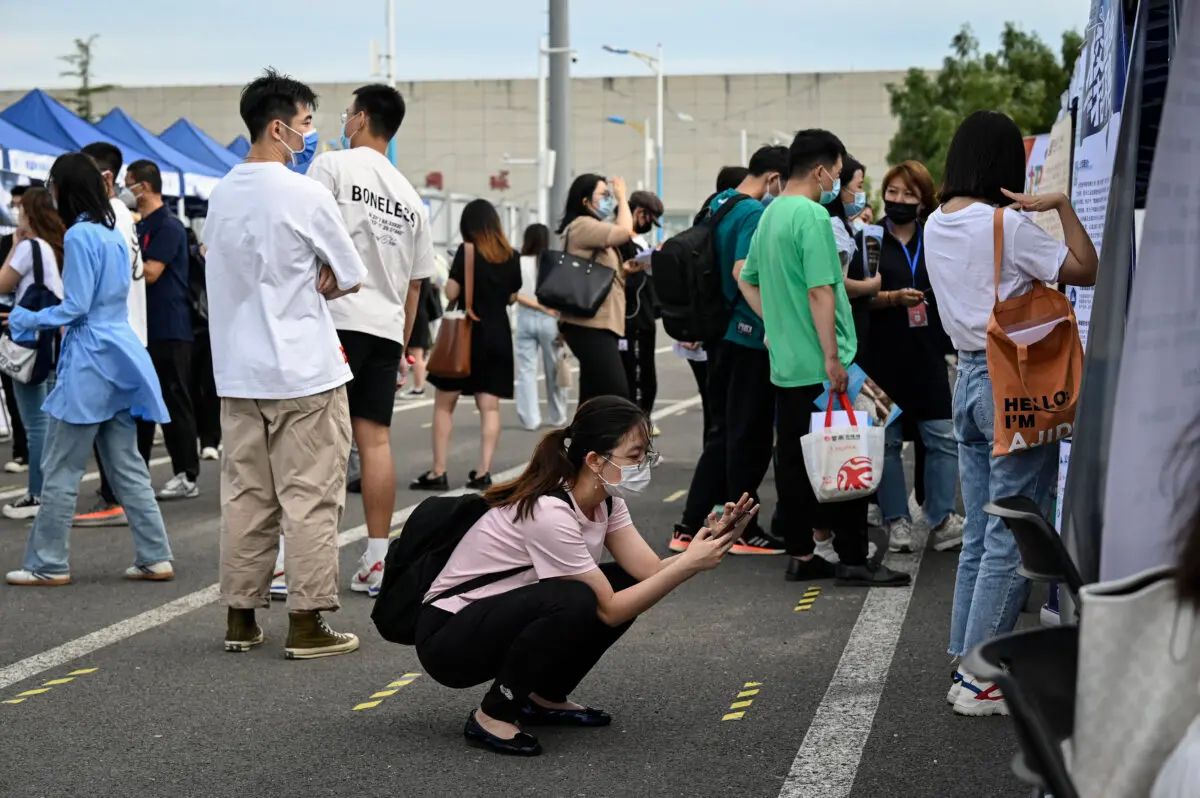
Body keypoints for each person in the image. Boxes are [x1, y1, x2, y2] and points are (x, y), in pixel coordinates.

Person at [415, 396, 758, 756]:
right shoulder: (549, 511)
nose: (643, 465)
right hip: (448, 638)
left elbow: (649, 572)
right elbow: (609, 609)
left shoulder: (606, 499)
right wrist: (690, 564)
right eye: (634, 455)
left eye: (646, 455)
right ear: (594, 460)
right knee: (578, 599)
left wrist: (710, 544)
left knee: (620, 583)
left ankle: (542, 696)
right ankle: (492, 715)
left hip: (493, 618)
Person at [924, 110, 1097, 715]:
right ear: (1006, 164)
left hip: (967, 380)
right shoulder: (1007, 225)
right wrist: (1062, 207)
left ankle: (965, 659)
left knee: (980, 529)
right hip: (1015, 386)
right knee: (1010, 530)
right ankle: (981, 678)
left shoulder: (934, 223)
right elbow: (1085, 267)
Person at [205, 69, 366, 658]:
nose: (310, 135)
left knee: (245, 496)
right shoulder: (305, 193)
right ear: (278, 127)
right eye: (304, 125)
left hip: (238, 373)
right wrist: (318, 276)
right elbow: (348, 273)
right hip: (305, 371)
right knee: (310, 498)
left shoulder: (220, 194)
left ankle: (240, 616)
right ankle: (306, 621)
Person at [738, 129, 910, 589]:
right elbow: (820, 290)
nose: (838, 181)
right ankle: (853, 558)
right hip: (823, 364)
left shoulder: (770, 215)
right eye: (837, 172)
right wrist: (833, 359)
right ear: (820, 171)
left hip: (788, 366)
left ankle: (801, 553)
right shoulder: (812, 216)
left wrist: (774, 323)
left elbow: (746, 278)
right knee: (847, 451)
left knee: (795, 462)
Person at [4, 153, 174, 586]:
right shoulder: (114, 231)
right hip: (119, 351)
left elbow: (76, 308)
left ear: (64, 187)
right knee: (128, 465)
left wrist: (24, 319)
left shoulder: (80, 233)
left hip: (89, 358)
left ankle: (47, 562)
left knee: (62, 467)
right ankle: (155, 555)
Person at [306, 83, 436, 600]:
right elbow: (415, 287)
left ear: (359, 119)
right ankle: (378, 560)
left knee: (316, 442)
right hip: (384, 329)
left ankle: (296, 563)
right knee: (374, 441)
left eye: (346, 114)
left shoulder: (333, 167)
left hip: (333, 319)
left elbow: (307, 241)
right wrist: (401, 346)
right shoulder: (411, 198)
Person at [671, 145, 791, 557]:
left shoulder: (718, 203)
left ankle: (689, 525)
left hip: (719, 334)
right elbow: (744, 272)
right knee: (750, 437)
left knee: (723, 434)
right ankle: (742, 529)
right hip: (746, 335)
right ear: (774, 178)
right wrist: (773, 323)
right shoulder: (754, 213)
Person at [865, 160, 963, 555]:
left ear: (924, 201)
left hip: (927, 354)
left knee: (942, 437)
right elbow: (852, 297)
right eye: (893, 192)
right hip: (881, 355)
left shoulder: (936, 238)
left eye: (909, 194)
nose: (899, 200)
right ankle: (896, 521)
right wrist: (891, 298)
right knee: (886, 442)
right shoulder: (869, 240)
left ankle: (940, 518)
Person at [411, 199, 521, 492]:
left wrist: (454, 274)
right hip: (498, 336)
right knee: (490, 408)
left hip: (467, 335)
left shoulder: (467, 252)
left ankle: (438, 472)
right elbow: (512, 297)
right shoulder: (511, 255)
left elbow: (453, 291)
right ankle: (483, 473)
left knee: (444, 406)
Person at [73, 142, 146, 528]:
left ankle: (115, 498)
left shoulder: (106, 216)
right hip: (125, 331)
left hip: (112, 334)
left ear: (104, 177)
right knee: (118, 431)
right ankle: (121, 499)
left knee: (107, 430)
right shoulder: (120, 213)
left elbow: (94, 284)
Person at [125, 160, 200, 501]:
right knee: (142, 404)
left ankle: (186, 473)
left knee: (173, 401)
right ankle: (135, 473)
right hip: (143, 329)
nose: (127, 190)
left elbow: (151, 272)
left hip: (171, 328)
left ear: (145, 185)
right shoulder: (137, 225)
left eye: (130, 184)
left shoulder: (168, 225)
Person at [0, 187, 65, 519]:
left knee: (35, 422)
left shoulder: (28, 248)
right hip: (49, 341)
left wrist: (12, 248)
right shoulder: (51, 248)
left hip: (27, 341)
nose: (16, 214)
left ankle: (37, 495)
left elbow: (1, 284)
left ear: (29, 213)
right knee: (46, 421)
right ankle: (45, 492)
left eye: (19, 209)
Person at [556, 174, 634, 404]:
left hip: (596, 323)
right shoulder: (583, 225)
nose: (609, 200)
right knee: (617, 393)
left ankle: (581, 440)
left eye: (610, 196)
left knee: (593, 397)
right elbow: (624, 232)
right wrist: (622, 197)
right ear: (585, 201)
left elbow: (599, 269)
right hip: (589, 324)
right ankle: (608, 439)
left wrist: (626, 270)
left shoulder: (590, 227)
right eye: (604, 195)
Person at [514, 222, 568, 431]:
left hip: (525, 319)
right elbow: (562, 295)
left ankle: (530, 419)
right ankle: (557, 415)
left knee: (526, 370)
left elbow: (514, 294)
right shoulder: (553, 262)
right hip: (550, 319)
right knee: (553, 368)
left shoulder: (518, 262)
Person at [618, 191, 664, 422]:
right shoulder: (621, 240)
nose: (648, 225)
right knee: (636, 380)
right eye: (647, 219)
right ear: (637, 212)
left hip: (645, 316)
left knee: (647, 379)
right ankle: (634, 428)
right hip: (632, 319)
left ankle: (641, 424)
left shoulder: (641, 242)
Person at [2, 184, 34, 475]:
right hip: (10, 329)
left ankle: (36, 464)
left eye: (19, 205)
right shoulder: (9, 243)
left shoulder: (40, 246)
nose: (16, 211)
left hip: (33, 330)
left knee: (36, 400)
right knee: (16, 395)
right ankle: (23, 450)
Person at [185, 228, 220, 461]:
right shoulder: (198, 258)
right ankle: (209, 439)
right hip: (210, 327)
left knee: (201, 386)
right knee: (207, 387)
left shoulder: (198, 259)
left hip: (199, 328)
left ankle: (208, 438)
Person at [399, 277, 440, 400]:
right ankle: (419, 386)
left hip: (415, 317)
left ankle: (418, 387)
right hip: (422, 316)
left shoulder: (416, 280)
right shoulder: (426, 279)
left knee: (415, 354)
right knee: (418, 354)